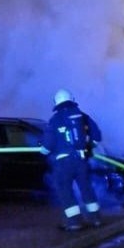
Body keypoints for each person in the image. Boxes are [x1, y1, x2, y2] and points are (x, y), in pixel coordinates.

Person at [40, 88, 103, 231]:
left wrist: (42, 151)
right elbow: (97, 136)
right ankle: (95, 219)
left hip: (63, 164)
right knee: (86, 189)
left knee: (65, 191)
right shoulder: (83, 116)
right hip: (81, 161)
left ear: (56, 103)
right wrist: (88, 147)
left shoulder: (55, 120)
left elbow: (48, 145)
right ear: (72, 99)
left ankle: (74, 222)